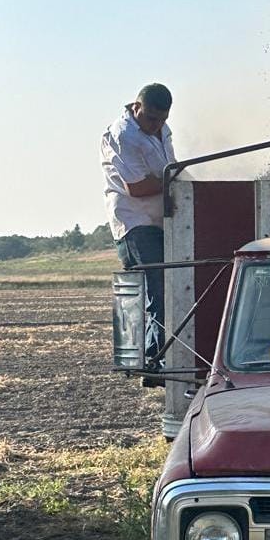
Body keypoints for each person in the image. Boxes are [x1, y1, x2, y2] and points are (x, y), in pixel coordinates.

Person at [101, 83, 176, 369]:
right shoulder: (123, 136)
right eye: (152, 119)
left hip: (162, 220)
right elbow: (138, 187)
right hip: (135, 222)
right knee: (159, 291)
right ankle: (156, 361)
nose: (157, 125)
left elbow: (170, 168)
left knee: (171, 288)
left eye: (163, 119)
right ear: (136, 107)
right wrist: (177, 181)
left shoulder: (161, 129)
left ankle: (157, 358)